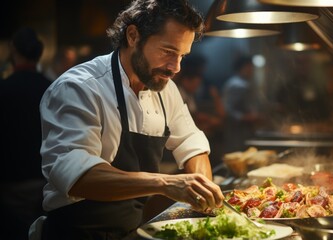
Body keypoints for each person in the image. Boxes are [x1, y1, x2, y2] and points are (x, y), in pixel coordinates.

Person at [29, 1, 224, 239]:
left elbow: (191, 143)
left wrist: (200, 190)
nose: (176, 68)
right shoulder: (79, 87)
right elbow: (78, 177)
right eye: (168, 52)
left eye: (182, 55)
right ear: (133, 36)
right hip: (77, 232)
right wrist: (164, 182)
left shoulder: (165, 89)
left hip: (131, 231)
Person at [0, 27, 51, 240]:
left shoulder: (5, 89)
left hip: (14, 180)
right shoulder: (52, 87)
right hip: (48, 178)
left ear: (14, 52)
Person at [174, 55, 225, 167]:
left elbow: (195, 114)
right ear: (186, 80)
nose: (196, 87)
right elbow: (189, 117)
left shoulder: (189, 94)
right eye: (195, 84)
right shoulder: (177, 92)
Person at [222, 55, 264, 153]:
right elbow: (227, 110)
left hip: (244, 131)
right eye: (250, 67)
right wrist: (245, 117)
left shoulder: (243, 83)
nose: (252, 70)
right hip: (236, 132)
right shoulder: (236, 85)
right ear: (242, 68)